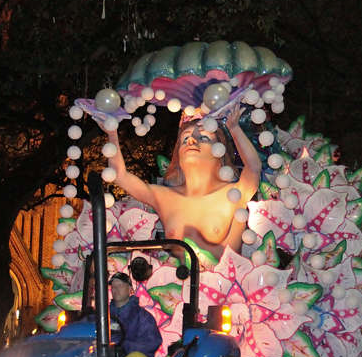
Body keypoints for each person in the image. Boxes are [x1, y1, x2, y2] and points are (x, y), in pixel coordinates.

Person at [102, 104, 261, 260]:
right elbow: (119, 175)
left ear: (220, 151)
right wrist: (112, 134)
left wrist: (234, 128)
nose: (191, 140)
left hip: (228, 277)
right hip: (176, 276)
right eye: (185, 138)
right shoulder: (164, 197)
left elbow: (253, 167)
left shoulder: (234, 193)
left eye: (204, 137)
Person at [107, 272, 162, 357]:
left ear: (130, 290)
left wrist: (122, 345)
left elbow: (151, 343)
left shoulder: (143, 317)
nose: (116, 289)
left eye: (120, 285)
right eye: (113, 286)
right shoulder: (101, 315)